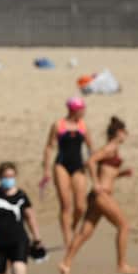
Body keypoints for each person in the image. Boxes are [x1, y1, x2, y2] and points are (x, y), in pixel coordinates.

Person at [58, 117, 137, 274]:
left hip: (98, 196)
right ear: (118, 133)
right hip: (101, 195)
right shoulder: (110, 148)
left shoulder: (113, 149)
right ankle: (121, 264)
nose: (126, 136)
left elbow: (107, 172)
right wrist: (95, 183)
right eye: (124, 133)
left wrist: (122, 174)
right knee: (124, 225)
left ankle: (66, 263)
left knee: (84, 233)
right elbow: (90, 161)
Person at [40, 97, 93, 249]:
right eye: (81, 109)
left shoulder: (83, 126)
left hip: (78, 165)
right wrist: (46, 170)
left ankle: (72, 226)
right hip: (61, 165)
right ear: (73, 110)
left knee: (81, 206)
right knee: (65, 204)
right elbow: (49, 146)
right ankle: (68, 239)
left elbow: (90, 148)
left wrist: (92, 167)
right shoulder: (59, 125)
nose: (83, 112)